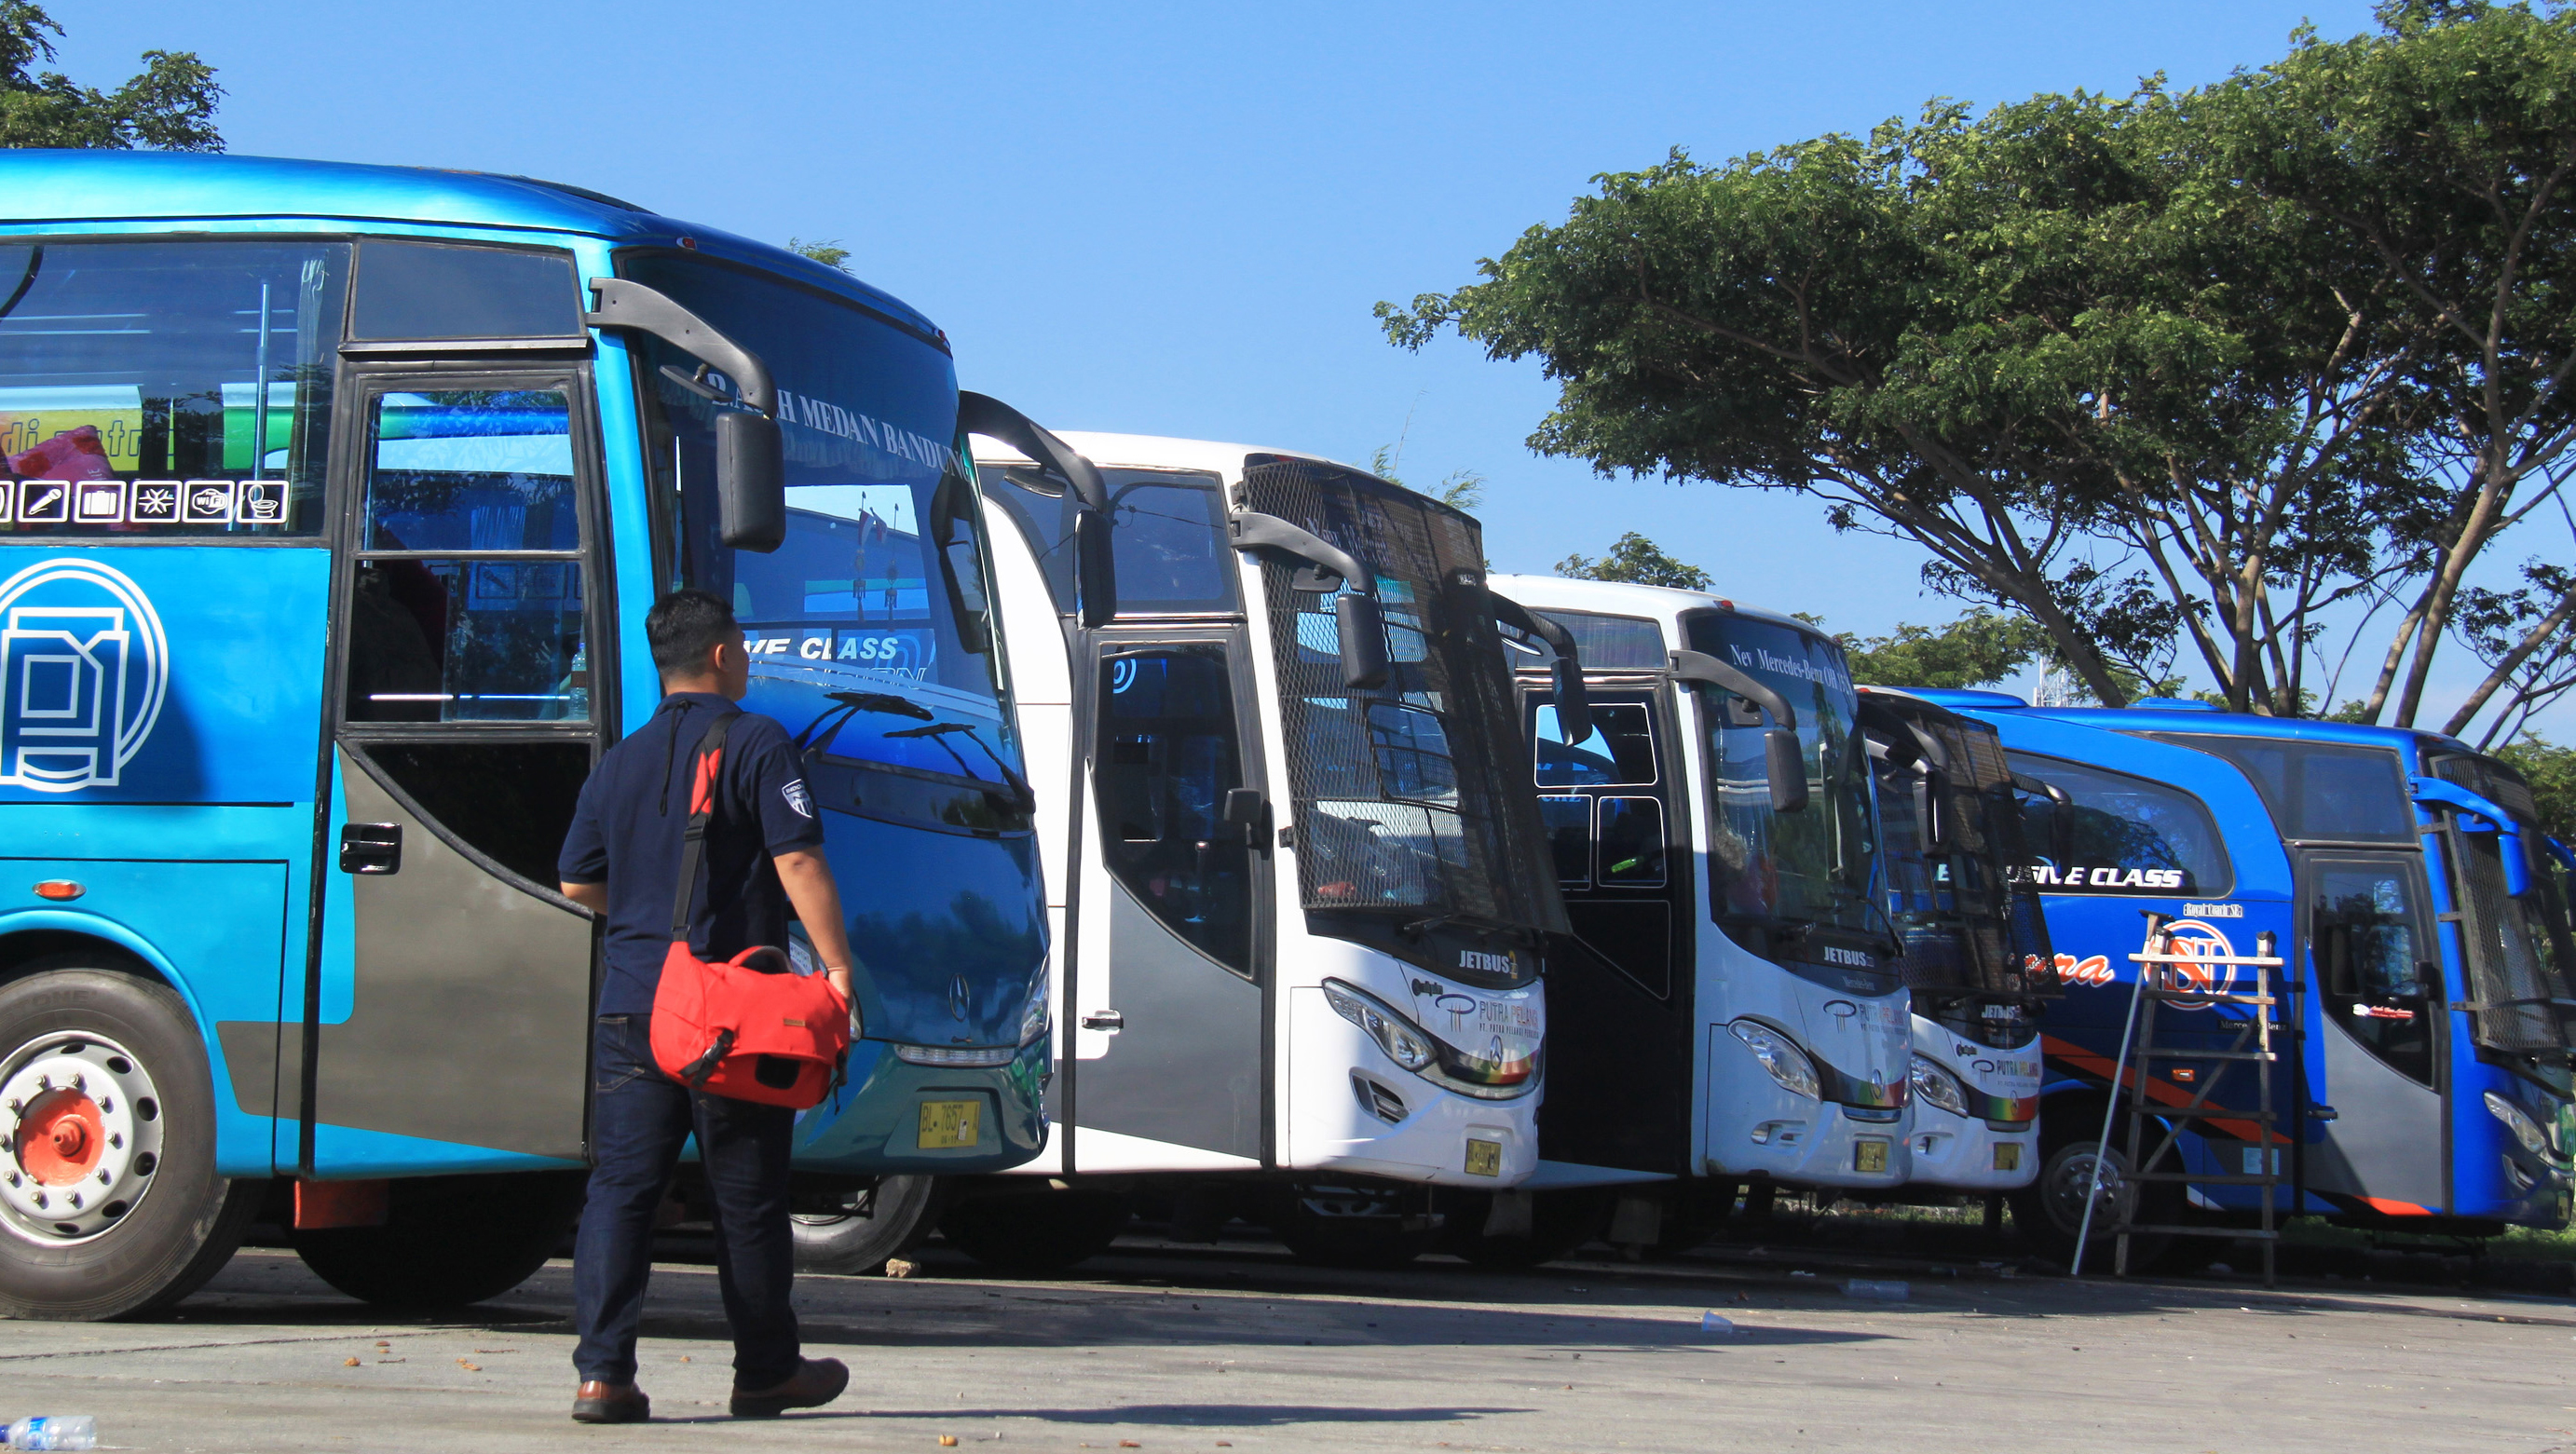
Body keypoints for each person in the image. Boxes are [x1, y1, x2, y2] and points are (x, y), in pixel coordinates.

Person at [556, 589, 857, 1424]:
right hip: (730, 1015)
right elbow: (798, 861)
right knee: (747, 1195)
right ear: (723, 655)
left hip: (632, 1004)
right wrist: (836, 968)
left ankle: (603, 1376)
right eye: (743, 645)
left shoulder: (618, 758)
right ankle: (765, 1370)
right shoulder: (758, 740)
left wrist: (653, 922)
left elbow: (577, 880)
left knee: (620, 1190)